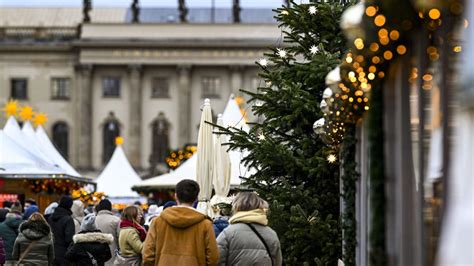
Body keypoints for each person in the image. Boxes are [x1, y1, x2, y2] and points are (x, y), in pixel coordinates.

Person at [142, 179, 219, 266]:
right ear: (196, 198)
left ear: (176, 196)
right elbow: (213, 258)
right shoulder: (205, 224)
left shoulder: (157, 222)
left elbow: (147, 255)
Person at [216, 192, 282, 266]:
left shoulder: (228, 233)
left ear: (237, 207)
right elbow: (277, 262)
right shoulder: (271, 233)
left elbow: (217, 260)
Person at [48, 195, 75, 266]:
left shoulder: (50, 217)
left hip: (51, 251)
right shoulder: (68, 219)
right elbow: (69, 239)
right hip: (64, 254)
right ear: (69, 206)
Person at [95, 199, 120, 266]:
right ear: (110, 208)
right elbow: (120, 239)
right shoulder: (116, 220)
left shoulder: (93, 220)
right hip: (112, 256)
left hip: (96, 256)